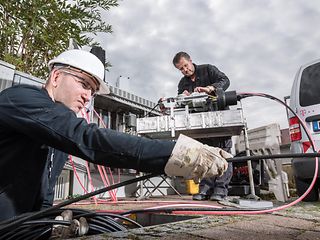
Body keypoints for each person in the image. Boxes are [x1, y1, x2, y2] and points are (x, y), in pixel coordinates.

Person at [0, 49, 232, 222]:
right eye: (83, 84)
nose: (87, 97)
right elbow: (88, 138)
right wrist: (177, 152)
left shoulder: (53, 125)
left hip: (22, 225)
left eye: (92, 91)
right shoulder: (21, 99)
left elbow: (46, 190)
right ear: (56, 77)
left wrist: (42, 224)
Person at [173, 51, 233, 201]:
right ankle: (205, 188)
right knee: (205, 155)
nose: (185, 70)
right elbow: (180, 103)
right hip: (200, 123)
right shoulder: (182, 83)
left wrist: (210, 88)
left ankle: (220, 189)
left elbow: (225, 80)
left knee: (223, 153)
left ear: (190, 61)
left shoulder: (208, 69)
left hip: (219, 119)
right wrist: (183, 97)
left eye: (186, 66)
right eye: (181, 69)